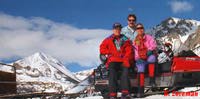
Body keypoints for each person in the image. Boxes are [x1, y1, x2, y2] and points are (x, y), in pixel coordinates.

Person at [99, 23, 134, 99]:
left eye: (119, 29)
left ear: (120, 30)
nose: (117, 30)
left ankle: (125, 93)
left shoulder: (125, 39)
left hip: (123, 60)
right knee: (112, 74)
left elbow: (129, 49)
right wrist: (110, 53)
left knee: (125, 72)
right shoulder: (108, 39)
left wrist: (126, 58)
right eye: (116, 29)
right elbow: (102, 48)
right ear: (113, 30)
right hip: (113, 60)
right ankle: (112, 94)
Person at [133, 23, 157, 97]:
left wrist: (149, 51)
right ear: (136, 30)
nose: (140, 29)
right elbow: (135, 52)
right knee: (140, 67)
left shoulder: (149, 37)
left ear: (143, 29)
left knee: (152, 58)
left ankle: (152, 80)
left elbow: (153, 45)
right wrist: (138, 58)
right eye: (138, 28)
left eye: (141, 28)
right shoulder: (135, 41)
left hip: (148, 57)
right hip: (140, 59)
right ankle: (141, 90)